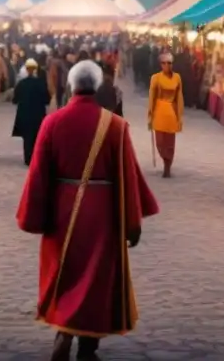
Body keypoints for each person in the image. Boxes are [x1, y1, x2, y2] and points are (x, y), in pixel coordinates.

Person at [17, 60, 159, 361]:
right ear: (97, 87)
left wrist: (35, 217)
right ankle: (87, 347)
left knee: (64, 272)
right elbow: (128, 177)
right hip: (103, 215)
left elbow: (39, 174)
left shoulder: (52, 123)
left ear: (70, 86)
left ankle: (63, 331)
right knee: (96, 280)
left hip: (62, 211)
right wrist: (132, 223)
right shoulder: (116, 126)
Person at [148, 53, 184, 178]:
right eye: (164, 63)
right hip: (159, 111)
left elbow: (179, 98)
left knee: (170, 142)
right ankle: (165, 158)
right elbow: (152, 97)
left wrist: (180, 115)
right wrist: (150, 114)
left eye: (169, 63)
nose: (167, 65)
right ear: (160, 64)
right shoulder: (156, 78)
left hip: (171, 111)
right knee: (160, 142)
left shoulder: (177, 78)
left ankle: (167, 166)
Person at [12, 58, 51, 165]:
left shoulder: (21, 84)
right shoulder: (41, 83)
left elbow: (15, 100)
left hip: (24, 114)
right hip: (38, 114)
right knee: (36, 137)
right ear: (35, 69)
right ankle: (35, 158)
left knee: (26, 137)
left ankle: (27, 159)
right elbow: (47, 99)